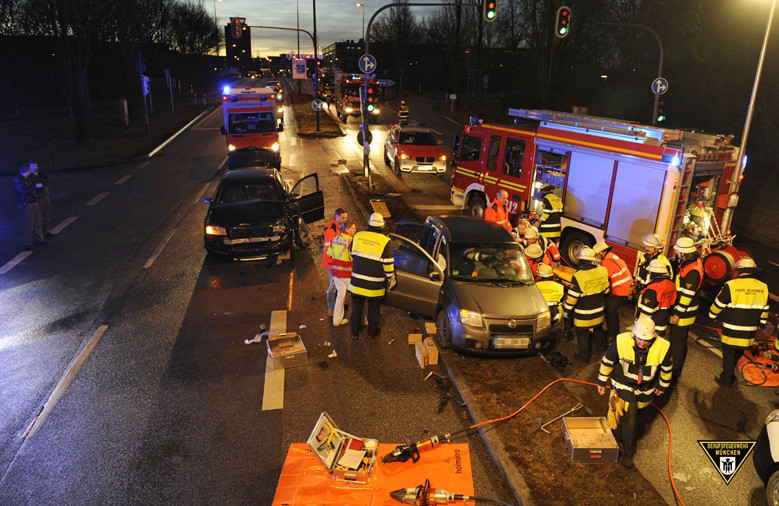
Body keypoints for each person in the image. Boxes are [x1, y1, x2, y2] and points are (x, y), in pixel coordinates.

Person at [597, 317, 672, 468]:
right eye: (640, 339)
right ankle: (628, 453)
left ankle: (619, 434)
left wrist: (663, 386)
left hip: (646, 389)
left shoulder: (663, 347)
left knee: (635, 414)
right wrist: (601, 381)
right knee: (630, 421)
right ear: (634, 334)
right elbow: (607, 361)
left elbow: (666, 369)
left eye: (647, 340)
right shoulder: (621, 341)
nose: (642, 343)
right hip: (623, 384)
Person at [708, 257, 770, 387]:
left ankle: (726, 379)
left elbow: (718, 304)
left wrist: (712, 315)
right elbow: (765, 309)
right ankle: (729, 374)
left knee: (729, 355)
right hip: (749, 332)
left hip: (731, 330)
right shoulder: (763, 287)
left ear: (739, 270)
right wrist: (762, 323)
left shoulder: (731, 285)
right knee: (739, 352)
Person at [349, 213, 395, 340]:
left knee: (356, 308)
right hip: (374, 285)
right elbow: (388, 264)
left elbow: (351, 254)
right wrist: (391, 277)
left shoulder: (358, 236)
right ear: (382, 226)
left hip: (357, 282)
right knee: (374, 309)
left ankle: (354, 333)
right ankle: (372, 332)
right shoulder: (386, 241)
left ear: (369, 224)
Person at [564, 247, 610, 362]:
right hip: (599, 310)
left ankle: (584, 356)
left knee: (582, 334)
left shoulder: (578, 276)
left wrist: (567, 310)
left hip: (583, 313)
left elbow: (572, 298)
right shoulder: (603, 270)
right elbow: (606, 290)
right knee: (598, 330)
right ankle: (602, 350)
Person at [668, 237, 704, 378]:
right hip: (683, 312)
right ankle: (676, 364)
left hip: (683, 314)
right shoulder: (692, 264)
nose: (676, 252)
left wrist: (677, 314)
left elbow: (687, 296)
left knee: (677, 343)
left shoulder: (692, 272)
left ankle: (675, 370)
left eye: (678, 251)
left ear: (684, 253)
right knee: (679, 341)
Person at [593, 242, 633, 344]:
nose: (597, 257)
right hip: (626, 288)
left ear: (602, 252)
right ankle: (612, 332)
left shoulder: (607, 261)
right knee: (609, 307)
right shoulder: (612, 257)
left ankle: (613, 335)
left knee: (610, 309)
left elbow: (603, 279)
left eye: (597, 254)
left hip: (622, 290)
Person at [636, 259, 677, 338]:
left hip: (649, 329)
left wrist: (640, 328)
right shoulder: (671, 284)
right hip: (662, 324)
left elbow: (646, 313)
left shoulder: (653, 289)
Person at [327, 221, 357, 327]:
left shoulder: (335, 239)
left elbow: (329, 253)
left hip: (336, 272)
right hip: (347, 274)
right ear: (347, 228)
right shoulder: (351, 241)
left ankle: (337, 320)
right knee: (357, 297)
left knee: (340, 295)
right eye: (353, 228)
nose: (355, 230)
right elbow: (355, 256)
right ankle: (360, 321)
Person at [322, 208, 348, 317]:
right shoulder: (330, 230)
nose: (345, 219)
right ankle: (331, 309)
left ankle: (338, 305)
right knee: (333, 285)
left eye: (346, 217)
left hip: (336, 262)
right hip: (331, 262)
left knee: (338, 284)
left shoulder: (339, 226)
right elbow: (329, 250)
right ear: (336, 216)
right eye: (343, 217)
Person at [14, 163, 44, 250]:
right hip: (27, 203)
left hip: (33, 201)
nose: (31, 172)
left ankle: (39, 239)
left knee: (37, 221)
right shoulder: (18, 179)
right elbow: (22, 191)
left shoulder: (27, 178)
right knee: (29, 224)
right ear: (27, 171)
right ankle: (27, 243)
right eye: (30, 170)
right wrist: (35, 186)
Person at [537, 264, 565, 331]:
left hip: (539, 316)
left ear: (539, 276)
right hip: (556, 315)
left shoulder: (535, 287)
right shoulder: (560, 287)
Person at [29, 160, 53, 238]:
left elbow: (48, 181)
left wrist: (41, 183)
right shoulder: (29, 176)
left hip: (45, 196)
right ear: (30, 167)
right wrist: (40, 183)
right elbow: (34, 185)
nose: (35, 167)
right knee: (39, 217)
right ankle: (39, 235)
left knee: (46, 215)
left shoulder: (41, 173)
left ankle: (45, 232)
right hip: (38, 198)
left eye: (36, 165)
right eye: (33, 166)